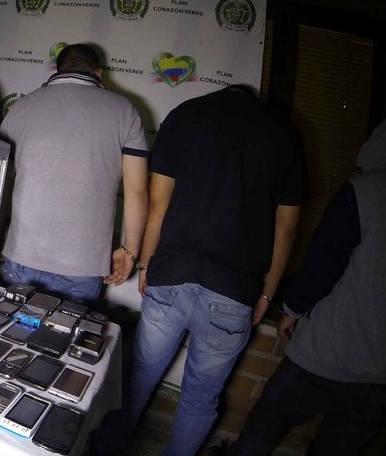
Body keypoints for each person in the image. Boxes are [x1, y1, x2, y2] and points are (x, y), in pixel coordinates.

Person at [126, 85, 308, 456]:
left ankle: (105, 446)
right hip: (235, 289)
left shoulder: (186, 115)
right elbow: (286, 228)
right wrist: (267, 293)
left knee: (137, 378)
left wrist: (146, 263)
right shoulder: (284, 132)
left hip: (173, 273)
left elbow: (159, 202)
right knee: (200, 397)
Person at [227, 107, 386, 456]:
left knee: (265, 426)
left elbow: (323, 263)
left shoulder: (365, 191)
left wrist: (291, 309)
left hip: (329, 354)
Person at [0, 43, 149, 304]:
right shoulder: (124, 110)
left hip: (21, 253)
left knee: (12, 328)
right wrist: (130, 250)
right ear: (99, 72)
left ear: (56, 69)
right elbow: (136, 190)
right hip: (83, 263)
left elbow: (0, 182)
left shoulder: (21, 107)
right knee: (67, 330)